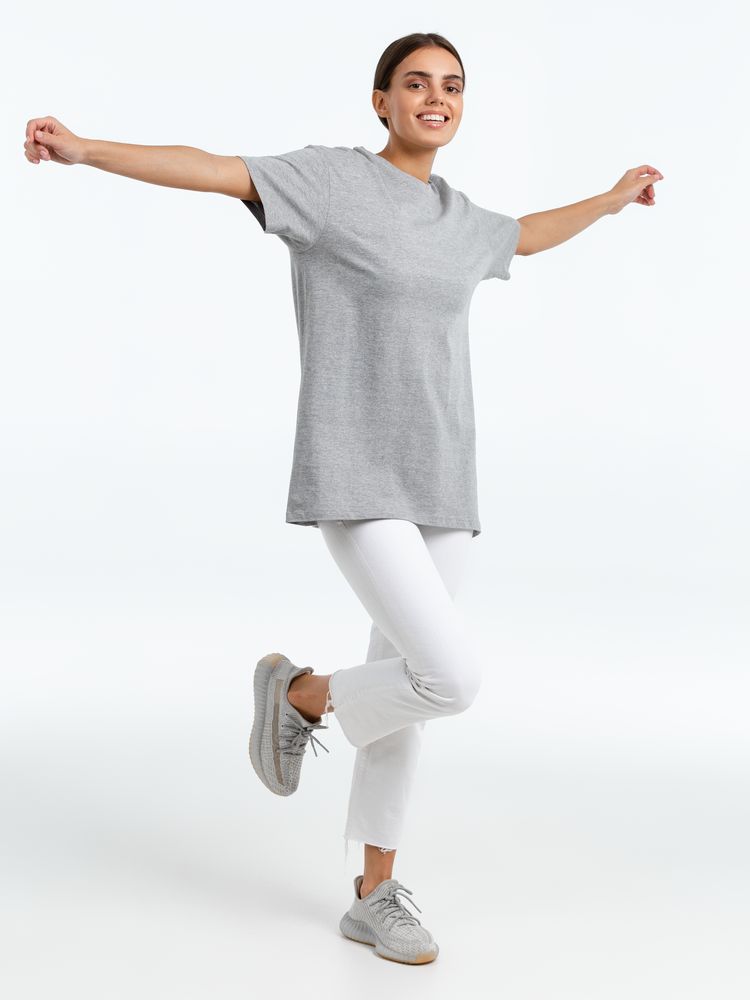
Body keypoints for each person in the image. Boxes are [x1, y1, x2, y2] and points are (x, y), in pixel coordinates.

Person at [24, 30, 663, 966]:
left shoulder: (458, 217)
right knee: (449, 678)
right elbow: (214, 170)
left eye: (452, 86)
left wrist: (608, 200)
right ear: (381, 101)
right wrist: (86, 150)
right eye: (417, 83)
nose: (436, 98)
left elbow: (526, 234)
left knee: (409, 694)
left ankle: (374, 893)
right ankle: (301, 696)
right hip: (358, 471)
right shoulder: (330, 184)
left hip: (445, 481)